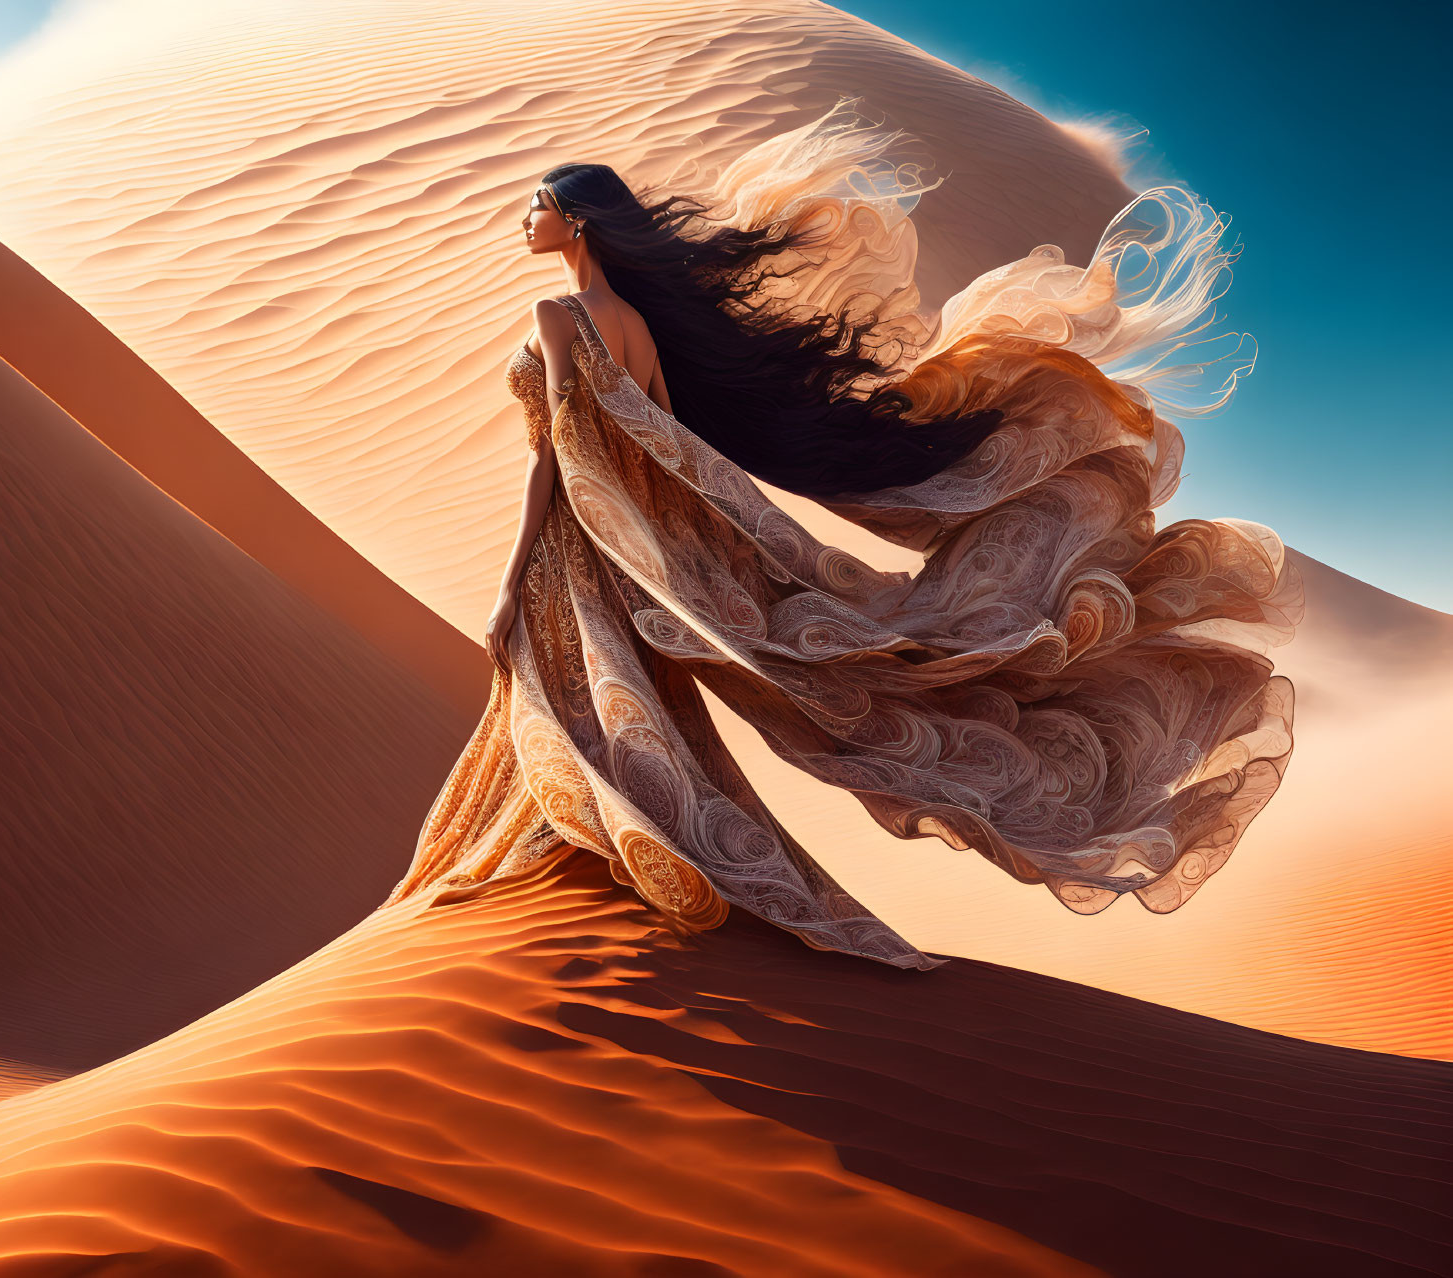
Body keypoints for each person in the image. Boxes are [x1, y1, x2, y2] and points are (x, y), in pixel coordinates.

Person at [376, 98, 1302, 971]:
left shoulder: (559, 317)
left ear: (575, 222)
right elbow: (664, 450)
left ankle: (602, 863)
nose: (522, 217)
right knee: (612, 704)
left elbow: (557, 458)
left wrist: (510, 579)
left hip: (575, 549)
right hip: (630, 552)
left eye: (535, 203)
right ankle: (618, 857)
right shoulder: (643, 331)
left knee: (568, 700)